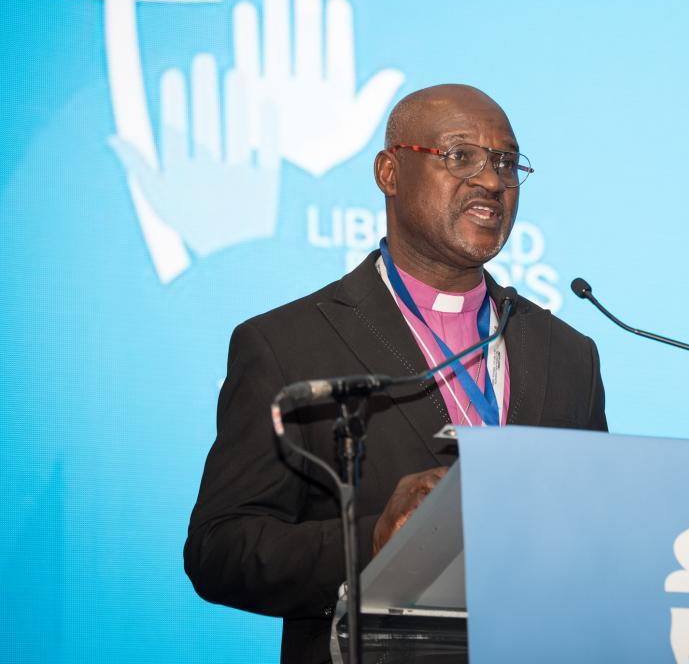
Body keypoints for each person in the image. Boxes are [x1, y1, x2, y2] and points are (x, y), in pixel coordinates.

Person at [184, 84, 607, 664]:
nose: (490, 180)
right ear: (389, 171)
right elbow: (220, 549)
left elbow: (599, 530)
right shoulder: (287, 344)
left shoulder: (567, 352)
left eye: (506, 162)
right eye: (460, 156)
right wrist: (376, 540)